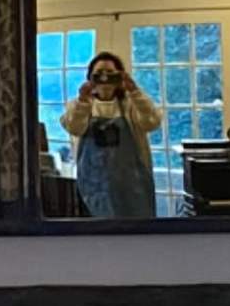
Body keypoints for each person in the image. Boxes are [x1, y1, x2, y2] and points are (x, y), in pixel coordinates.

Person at [61, 51, 163, 220]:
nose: (105, 78)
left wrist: (135, 91)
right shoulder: (80, 104)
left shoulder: (131, 104)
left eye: (110, 73)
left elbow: (152, 122)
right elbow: (74, 128)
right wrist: (82, 101)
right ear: (90, 78)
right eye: (98, 74)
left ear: (120, 77)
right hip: (94, 186)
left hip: (132, 186)